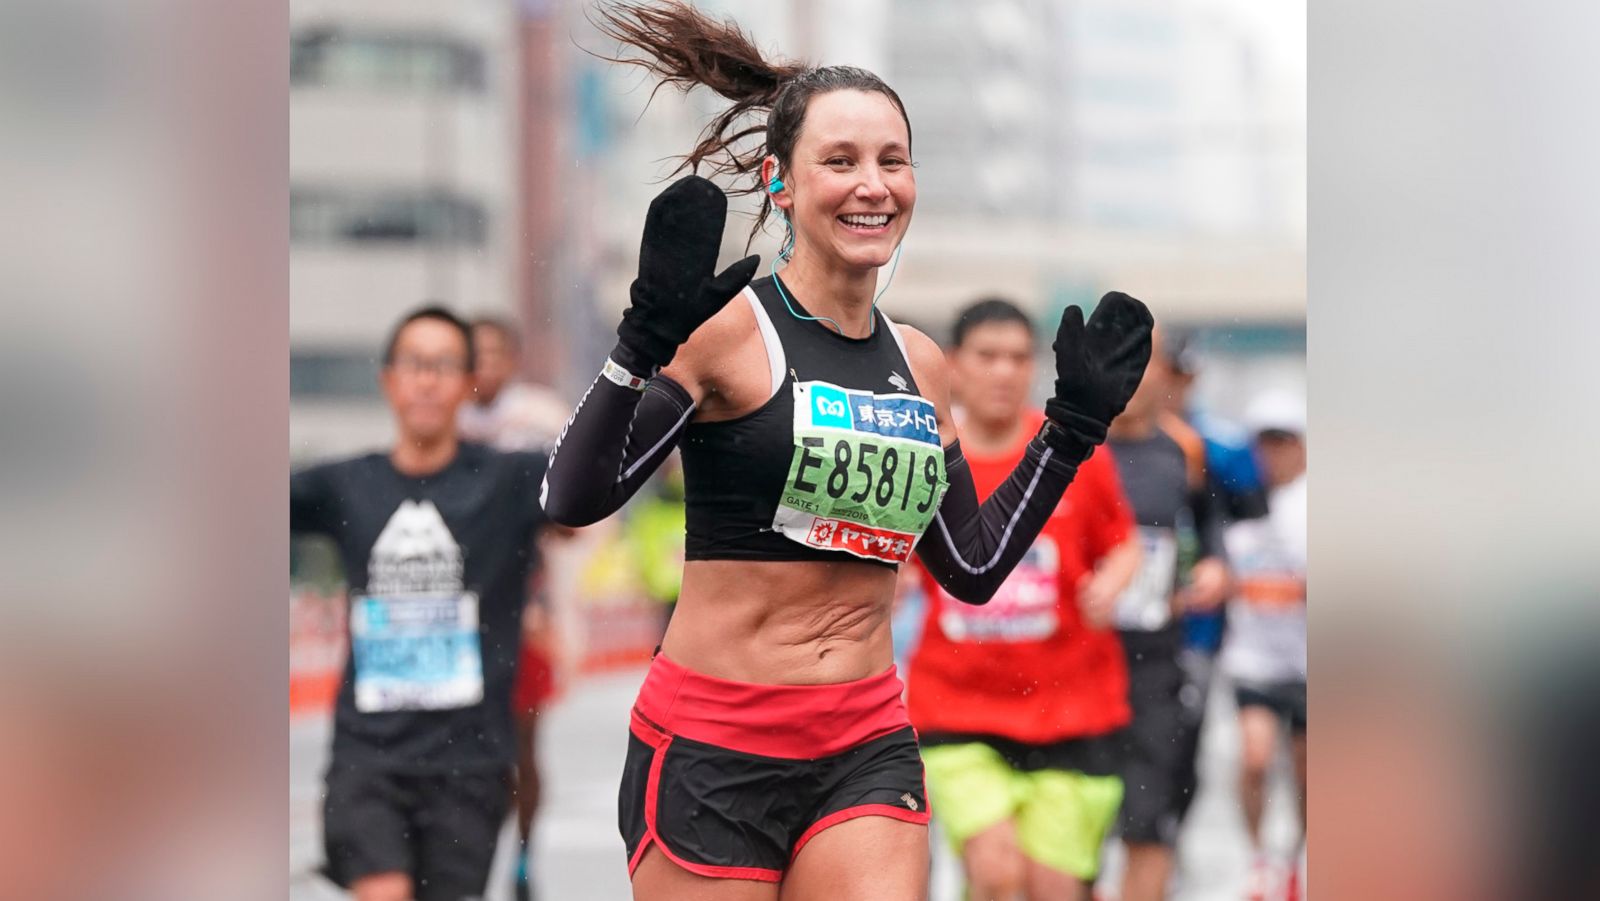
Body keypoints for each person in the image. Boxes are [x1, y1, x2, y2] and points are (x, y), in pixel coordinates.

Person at [540, 4, 1154, 897]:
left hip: (864, 740)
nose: (873, 184)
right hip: (716, 741)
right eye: (841, 161)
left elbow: (972, 566)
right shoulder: (726, 334)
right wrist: (638, 346)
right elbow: (571, 497)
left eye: (891, 160)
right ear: (779, 181)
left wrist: (1069, 433)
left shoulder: (921, 361)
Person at [291, 306, 553, 901]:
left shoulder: (509, 483)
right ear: (388, 380)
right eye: (414, 365)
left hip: (470, 761)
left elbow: (596, 480)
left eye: (443, 366)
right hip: (368, 757)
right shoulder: (345, 484)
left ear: (469, 383)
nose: (427, 380)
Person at [905, 298, 1141, 901]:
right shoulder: (923, 457)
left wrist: (1113, 581)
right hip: (957, 709)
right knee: (997, 875)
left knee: (1055, 889)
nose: (1004, 372)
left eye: (1018, 358)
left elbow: (1124, 544)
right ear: (953, 364)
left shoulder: (1073, 453)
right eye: (988, 356)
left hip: (1072, 707)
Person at [1103, 326, 1232, 901]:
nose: (1131, 376)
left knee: (1150, 826)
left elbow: (1209, 531)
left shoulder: (1186, 450)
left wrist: (1214, 569)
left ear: (1168, 377)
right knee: (1073, 835)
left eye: (1145, 362)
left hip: (1156, 664)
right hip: (1073, 665)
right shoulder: (1066, 448)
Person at [457, 315, 572, 901]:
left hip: (525, 604)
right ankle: (462, 855)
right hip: (455, 609)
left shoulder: (540, 419)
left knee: (523, 746)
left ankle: (524, 857)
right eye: (474, 353)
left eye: (496, 351)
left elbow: (575, 512)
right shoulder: (442, 417)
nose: (486, 364)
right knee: (465, 747)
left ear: (515, 357)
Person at [1219, 390, 1308, 901]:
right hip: (1251, 659)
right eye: (1265, 441)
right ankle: (1258, 857)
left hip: (1309, 663)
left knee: (1305, 777)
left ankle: (1293, 857)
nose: (1274, 452)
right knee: (1254, 761)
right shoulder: (1235, 500)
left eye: (1284, 440)